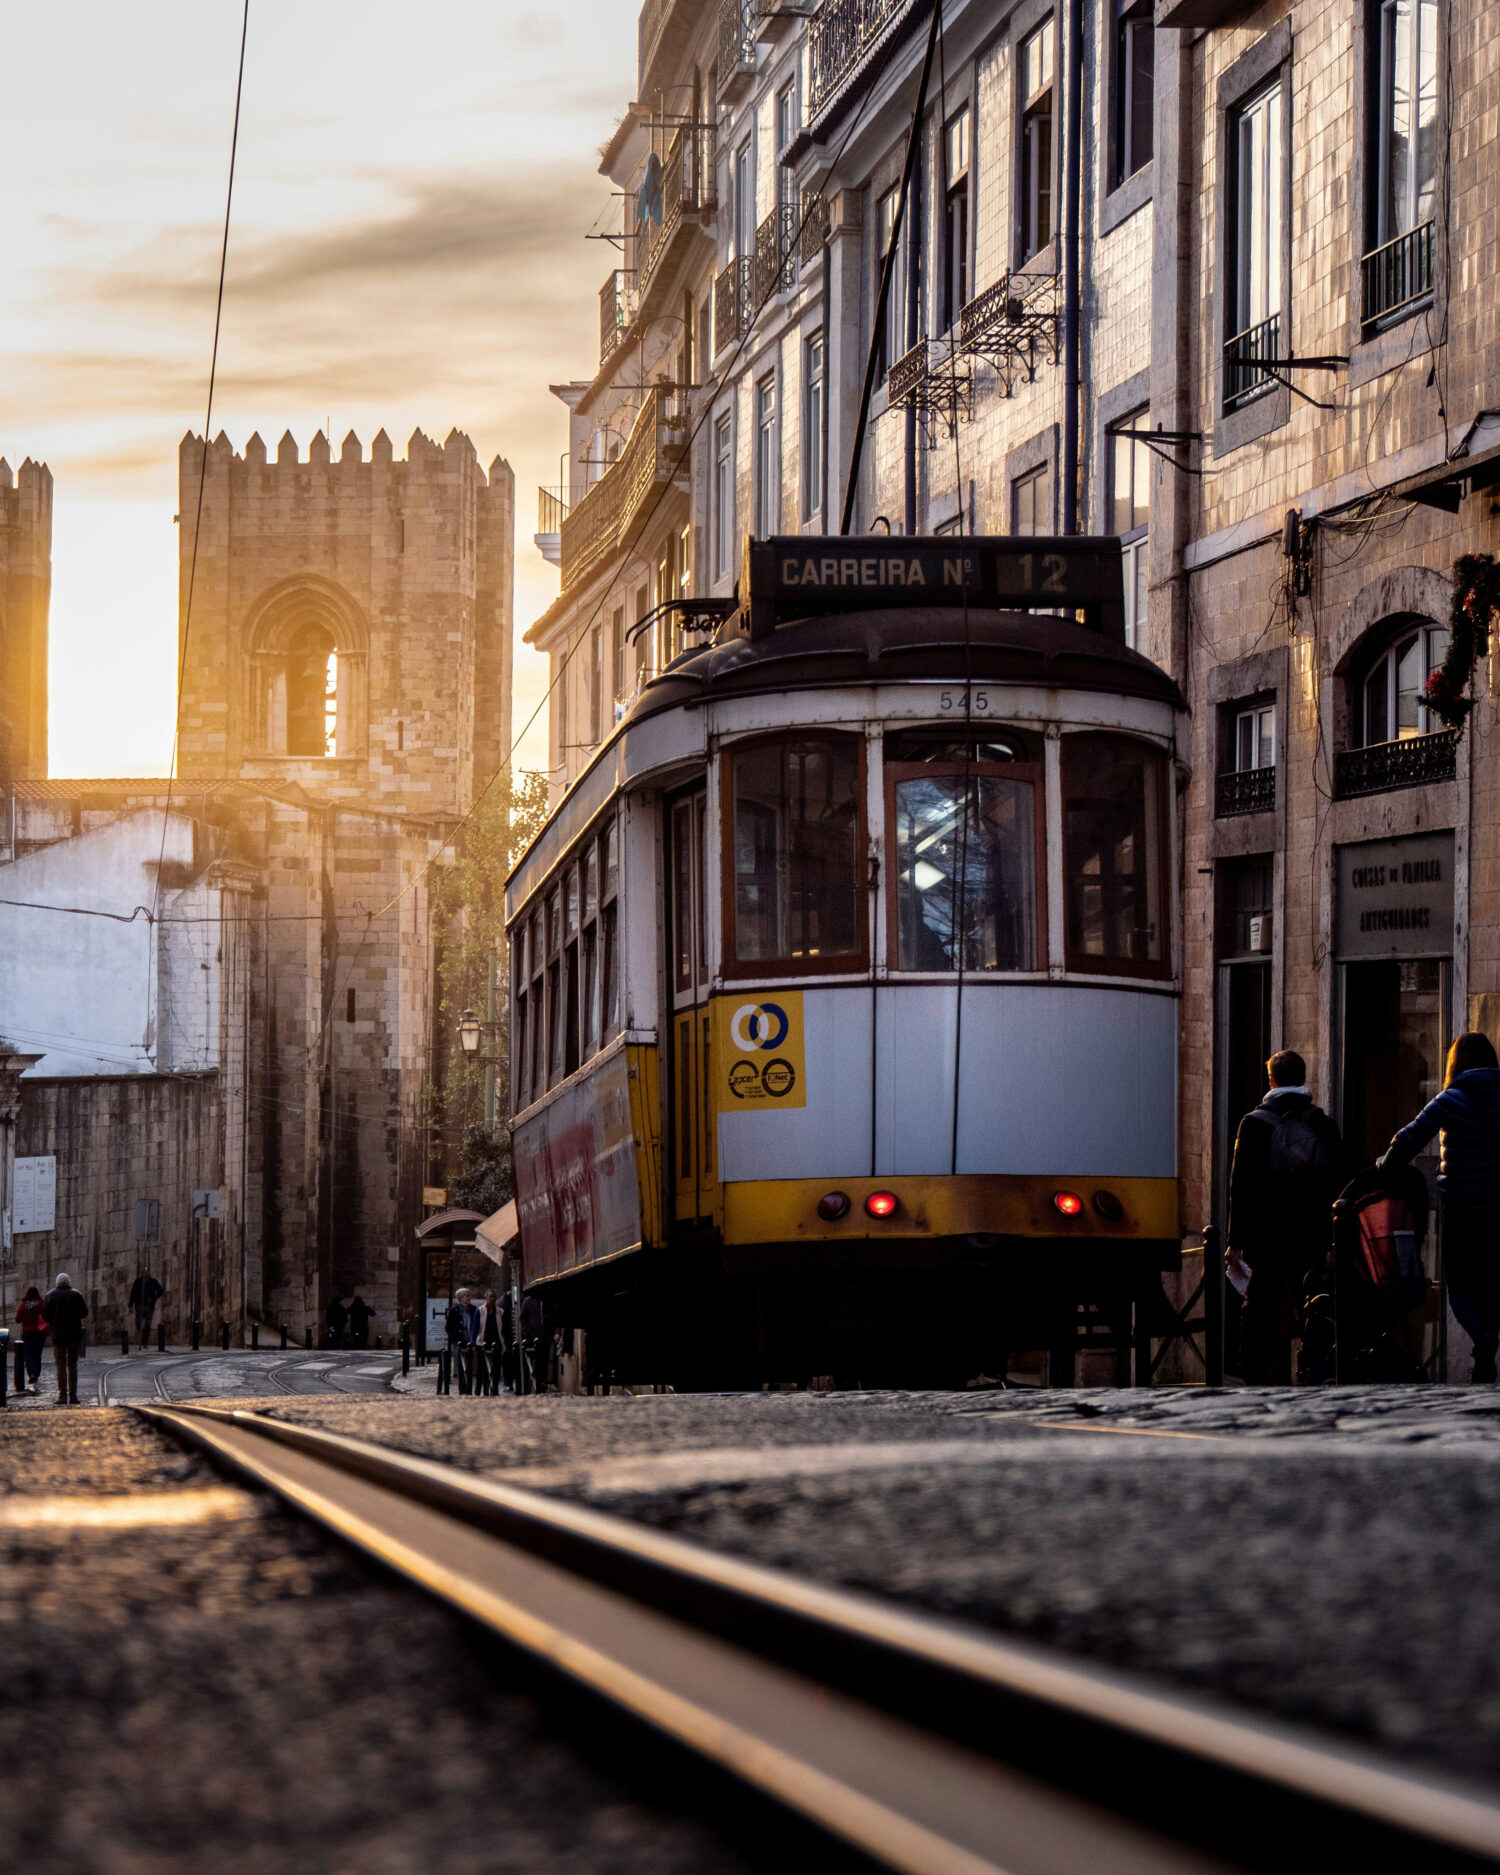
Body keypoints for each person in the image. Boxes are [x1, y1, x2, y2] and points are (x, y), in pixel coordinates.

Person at [1379, 1031, 1500, 1382]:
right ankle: (1490, 1331)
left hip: (1463, 1206)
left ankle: (1482, 1337)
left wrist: (1385, 1167)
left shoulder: (1451, 1098)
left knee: (1461, 1284)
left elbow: (1409, 1138)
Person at [1226, 1049, 1344, 1385]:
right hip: (1310, 1230)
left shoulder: (1252, 1124)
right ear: (1304, 1079)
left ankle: (1254, 1375)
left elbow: (1240, 1187)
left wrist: (1235, 1241)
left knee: (1259, 1305)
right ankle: (1318, 1369)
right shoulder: (1322, 1123)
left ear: (1272, 1080)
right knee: (1313, 1301)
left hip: (1264, 1233)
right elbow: (1338, 1179)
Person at [42, 1273, 88, 1406]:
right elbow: (84, 1313)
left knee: (60, 1365)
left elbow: (45, 1316)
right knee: (72, 1365)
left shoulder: (50, 1296)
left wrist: (55, 1320)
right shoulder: (76, 1295)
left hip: (58, 1336)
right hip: (74, 1335)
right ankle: (73, 1396)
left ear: (57, 1283)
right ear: (68, 1282)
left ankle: (62, 1396)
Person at [14, 1286, 48, 1393]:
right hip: (40, 1332)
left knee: (28, 1354)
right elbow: (47, 1315)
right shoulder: (41, 1303)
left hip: (27, 1332)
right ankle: (36, 1374)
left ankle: (31, 1372)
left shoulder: (24, 1305)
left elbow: (17, 1320)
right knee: (38, 1354)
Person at [474, 1288, 503, 1395]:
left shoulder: (499, 1311)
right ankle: (479, 1390)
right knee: (481, 1368)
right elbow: (475, 1327)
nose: (493, 1299)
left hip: (496, 1342)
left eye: (494, 1297)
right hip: (482, 1342)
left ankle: (494, 1389)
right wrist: (474, 1343)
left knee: (496, 1368)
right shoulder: (480, 1310)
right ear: (486, 1298)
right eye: (491, 1297)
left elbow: (502, 1328)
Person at [129, 1268, 164, 1349]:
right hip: (139, 1306)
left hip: (149, 1307)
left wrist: (153, 1297)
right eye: (143, 1272)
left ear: (148, 1272)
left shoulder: (153, 1281)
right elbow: (133, 1293)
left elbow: (161, 1291)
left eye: (145, 1271)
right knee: (138, 1323)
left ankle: (145, 1341)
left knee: (148, 1324)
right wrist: (130, 1305)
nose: (144, 1273)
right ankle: (143, 1336)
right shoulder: (138, 1281)